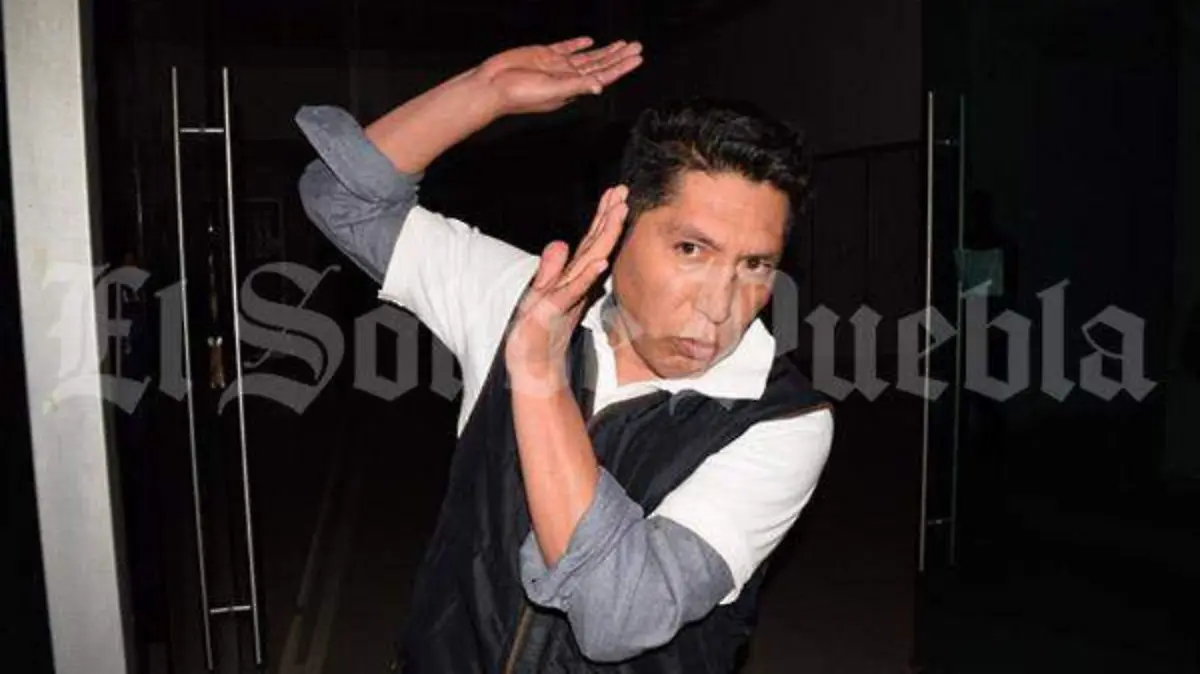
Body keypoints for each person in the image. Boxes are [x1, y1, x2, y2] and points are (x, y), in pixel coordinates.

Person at [295, 36, 834, 674]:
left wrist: (538, 373)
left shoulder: (781, 421)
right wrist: (484, 92)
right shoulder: (517, 296)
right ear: (620, 221)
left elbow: (618, 614)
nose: (720, 307)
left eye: (755, 265)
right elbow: (338, 196)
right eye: (691, 250)